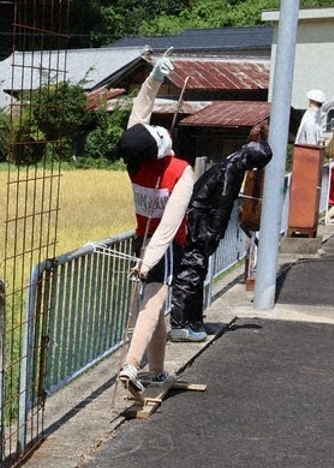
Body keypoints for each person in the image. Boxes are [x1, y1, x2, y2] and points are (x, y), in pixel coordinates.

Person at [114, 51, 193, 398]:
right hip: (165, 248)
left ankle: (157, 371)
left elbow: (139, 113)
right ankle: (132, 366)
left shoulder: (134, 164)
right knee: (150, 305)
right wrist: (149, 264)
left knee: (153, 306)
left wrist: (155, 79)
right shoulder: (181, 172)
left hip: (141, 242)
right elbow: (169, 224)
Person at [168, 128, 273, 342]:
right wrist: (215, 232)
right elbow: (224, 203)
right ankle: (180, 324)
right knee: (192, 269)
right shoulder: (234, 168)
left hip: (198, 215)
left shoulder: (232, 159)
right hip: (200, 219)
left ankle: (193, 321)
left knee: (198, 269)